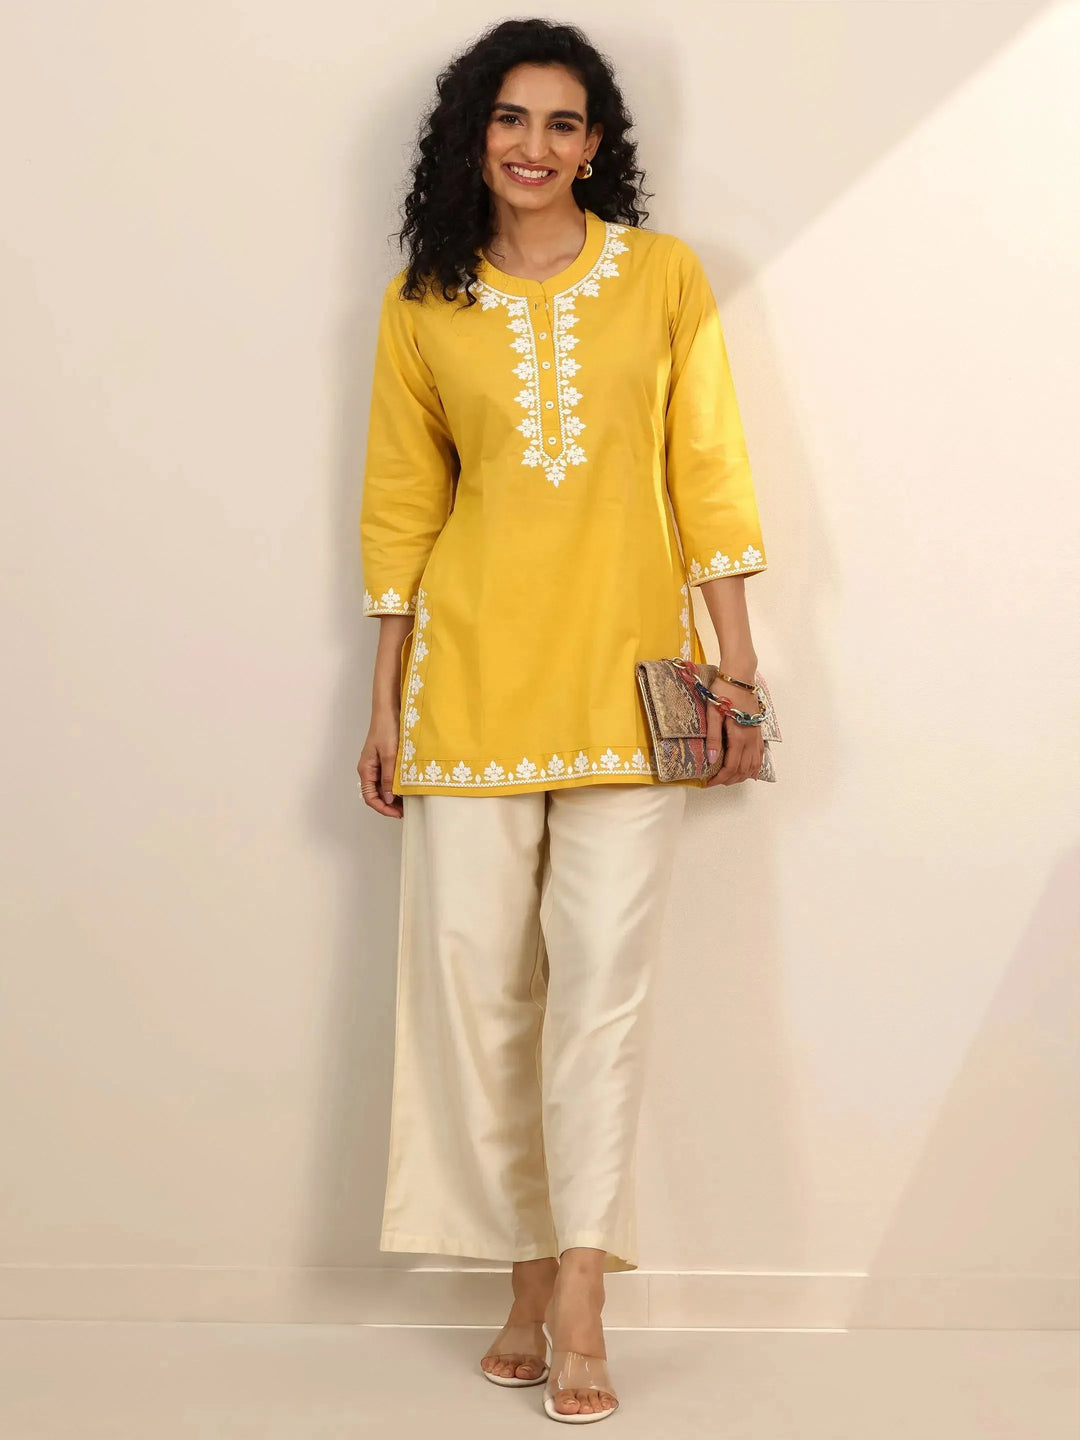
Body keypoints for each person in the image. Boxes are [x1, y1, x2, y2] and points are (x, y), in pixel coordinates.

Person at [356, 17, 769, 1423]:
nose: (534, 145)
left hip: (631, 689)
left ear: (597, 145)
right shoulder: (422, 301)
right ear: (473, 134)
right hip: (467, 689)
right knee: (478, 999)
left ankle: (582, 1288)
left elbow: (708, 473)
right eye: (510, 118)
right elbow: (402, 511)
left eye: (564, 122)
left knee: (602, 994)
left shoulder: (662, 278)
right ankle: (524, 1276)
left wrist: (738, 674)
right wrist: (382, 704)